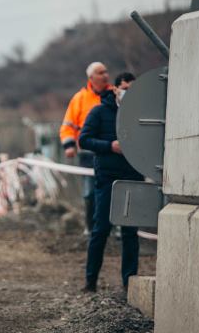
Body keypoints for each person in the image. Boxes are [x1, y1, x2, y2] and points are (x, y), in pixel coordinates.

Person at [78, 72, 142, 292]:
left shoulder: (140, 114)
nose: (127, 92)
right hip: (107, 178)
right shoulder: (98, 111)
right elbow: (84, 139)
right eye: (124, 87)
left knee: (130, 232)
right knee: (101, 230)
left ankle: (129, 283)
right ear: (115, 89)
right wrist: (109, 146)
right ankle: (91, 281)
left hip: (133, 177)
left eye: (132, 89)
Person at [60, 62, 112, 238]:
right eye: (100, 72)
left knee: (112, 190)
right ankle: (90, 227)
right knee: (89, 192)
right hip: (87, 154)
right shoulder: (80, 99)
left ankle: (115, 227)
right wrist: (69, 145)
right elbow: (67, 125)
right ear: (91, 78)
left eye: (106, 72)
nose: (105, 75)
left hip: (110, 152)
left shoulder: (114, 95)